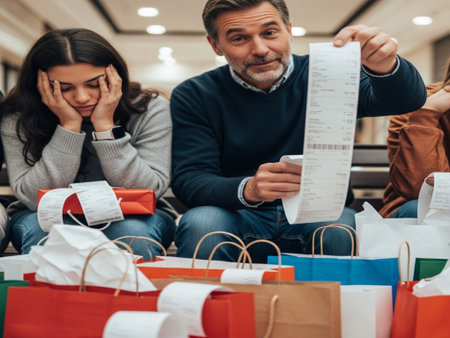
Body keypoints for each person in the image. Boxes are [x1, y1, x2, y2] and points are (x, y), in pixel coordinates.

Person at [170, 0, 427, 263]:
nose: (260, 49)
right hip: (236, 212)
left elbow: (407, 101)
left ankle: (339, 304)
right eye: (239, 38)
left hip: (319, 210)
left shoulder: (330, 74)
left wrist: (385, 65)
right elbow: (191, 178)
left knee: (338, 230)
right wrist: (249, 189)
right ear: (215, 45)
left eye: (270, 33)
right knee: (202, 224)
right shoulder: (195, 94)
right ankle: (207, 303)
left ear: (289, 30)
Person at [0, 28, 176, 259]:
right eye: (64, 88)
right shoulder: (17, 116)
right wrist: (69, 127)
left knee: (131, 232)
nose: (82, 97)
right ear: (40, 85)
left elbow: (148, 189)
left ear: (115, 76)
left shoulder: (149, 109)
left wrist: (104, 126)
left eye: (94, 84)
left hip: (134, 215)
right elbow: (33, 198)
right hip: (43, 214)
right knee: (45, 233)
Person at [380, 59, 450, 218]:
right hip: (416, 210)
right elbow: (420, 188)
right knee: (424, 210)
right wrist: (427, 114)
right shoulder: (417, 103)